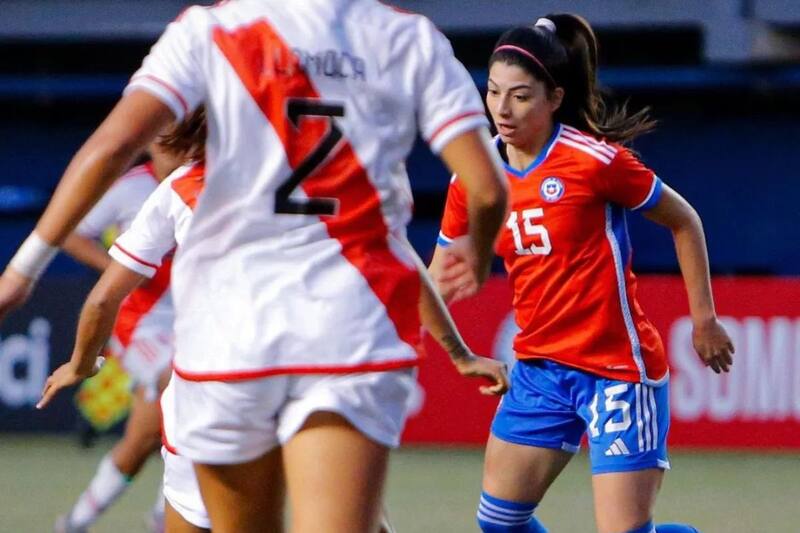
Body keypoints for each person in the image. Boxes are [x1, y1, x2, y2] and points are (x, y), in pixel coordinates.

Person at [0, 1, 510, 531]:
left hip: (229, 339)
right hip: (348, 331)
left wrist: (21, 273)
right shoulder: (408, 37)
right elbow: (487, 189)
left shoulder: (208, 30)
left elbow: (111, 148)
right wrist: (476, 251)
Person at [430, 14, 735, 533]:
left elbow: (684, 221)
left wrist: (704, 319)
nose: (502, 109)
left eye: (521, 96)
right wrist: (432, 341)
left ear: (554, 97)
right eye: (494, 92)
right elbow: (438, 275)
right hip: (540, 373)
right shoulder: (475, 178)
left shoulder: (594, 162)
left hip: (617, 370)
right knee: (499, 522)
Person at [51, 112, 202, 533]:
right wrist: (120, 268)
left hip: (192, 321)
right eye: (160, 139)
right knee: (177, 390)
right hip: (140, 323)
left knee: (143, 441)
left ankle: (79, 522)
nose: (168, 147)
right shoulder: (132, 187)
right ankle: (163, 516)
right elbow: (71, 233)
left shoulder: (209, 184)